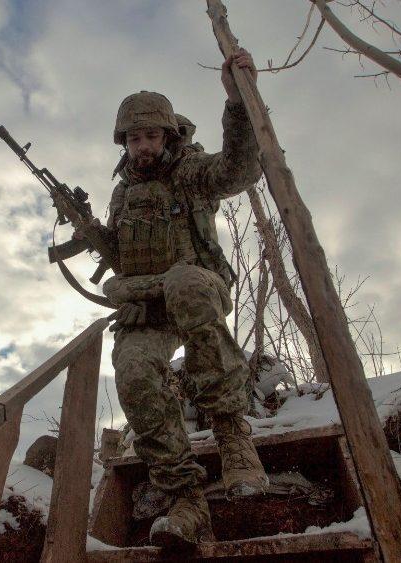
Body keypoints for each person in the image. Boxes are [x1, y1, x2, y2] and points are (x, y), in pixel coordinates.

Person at [101, 48, 266, 549]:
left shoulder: (190, 173)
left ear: (169, 136)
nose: (143, 144)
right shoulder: (123, 196)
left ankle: (233, 436)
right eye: (134, 137)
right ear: (124, 143)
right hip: (148, 311)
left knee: (185, 282)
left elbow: (240, 170)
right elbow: (118, 274)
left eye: (152, 134)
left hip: (198, 292)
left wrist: (238, 102)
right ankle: (184, 500)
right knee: (130, 368)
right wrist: (124, 288)